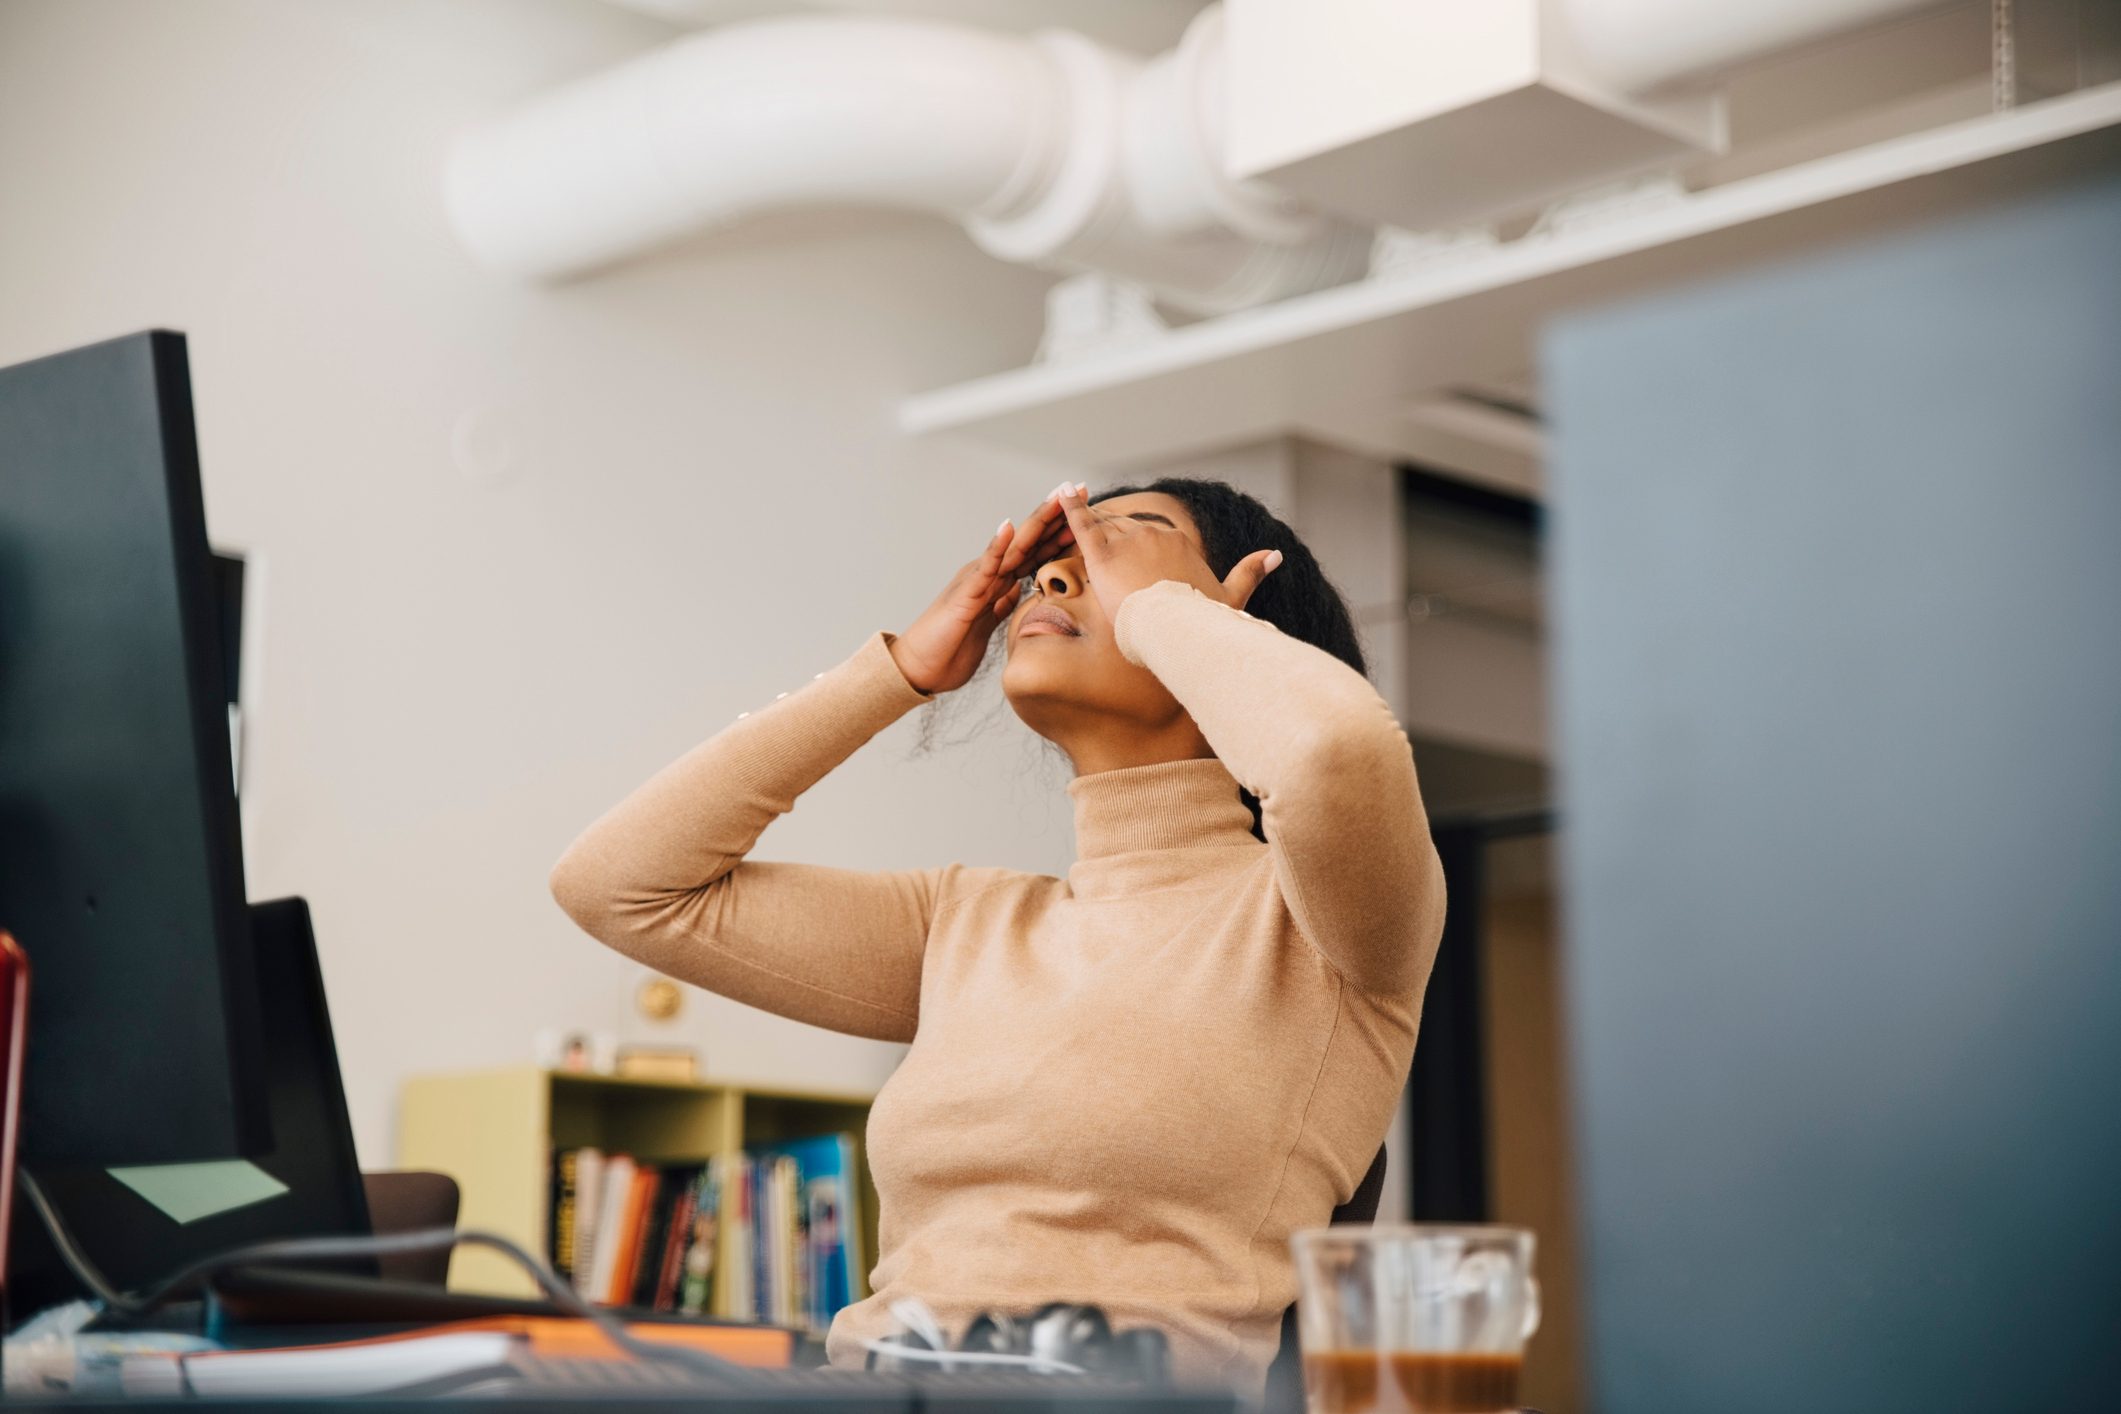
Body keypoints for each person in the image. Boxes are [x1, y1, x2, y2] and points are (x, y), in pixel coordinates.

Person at [550, 477, 1446, 1393]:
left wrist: (1163, 616)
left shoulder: (1327, 926)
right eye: (1053, 560)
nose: (1055, 576)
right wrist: (894, 673)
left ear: (1232, 617)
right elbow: (619, 887)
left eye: (1117, 547)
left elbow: (1335, 751)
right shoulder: (966, 922)